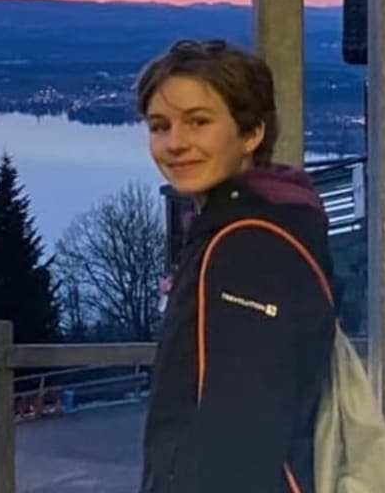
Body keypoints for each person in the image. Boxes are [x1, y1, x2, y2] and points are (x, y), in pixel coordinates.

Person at [136, 39, 335, 493]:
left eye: (198, 122)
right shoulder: (257, 221)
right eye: (159, 126)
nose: (175, 143)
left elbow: (240, 434)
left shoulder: (248, 244)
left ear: (251, 134)